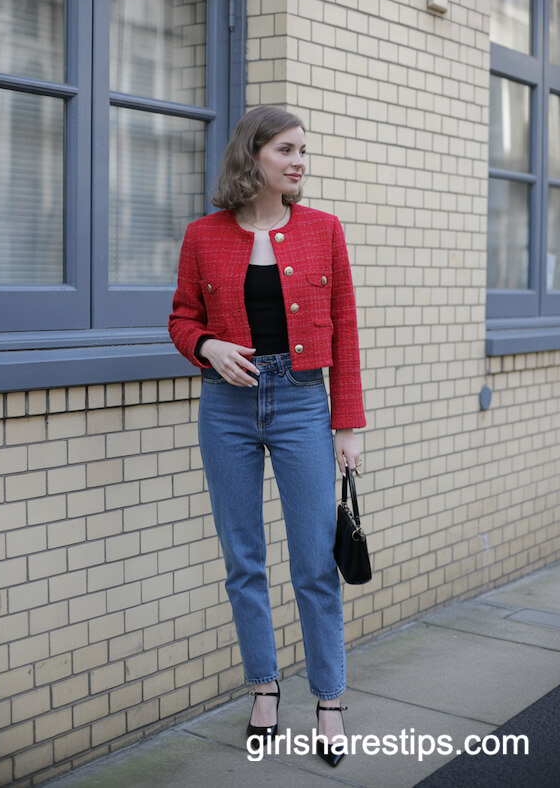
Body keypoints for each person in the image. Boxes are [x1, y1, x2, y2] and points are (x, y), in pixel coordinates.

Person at [168, 106, 366, 767]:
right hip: (225, 407)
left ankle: (330, 701)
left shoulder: (323, 231)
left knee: (314, 562)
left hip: (303, 404)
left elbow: (345, 328)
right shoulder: (204, 235)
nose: (299, 160)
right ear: (251, 155)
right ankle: (263, 688)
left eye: (303, 150)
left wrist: (348, 424)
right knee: (242, 560)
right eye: (286, 148)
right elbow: (180, 318)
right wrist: (206, 345)